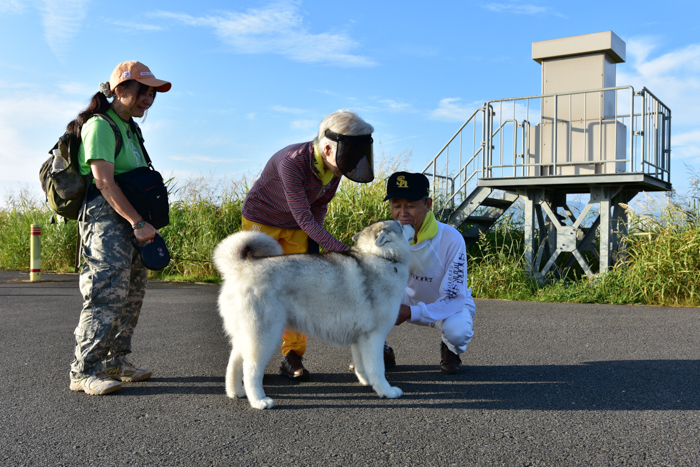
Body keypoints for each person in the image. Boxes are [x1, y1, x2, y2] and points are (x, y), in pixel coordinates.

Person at [241, 109, 375, 379]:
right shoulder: (292, 162)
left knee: (298, 290)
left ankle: (292, 356)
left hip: (295, 227)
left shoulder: (335, 168)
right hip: (261, 220)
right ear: (327, 148)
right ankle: (248, 359)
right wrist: (345, 253)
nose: (353, 162)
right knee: (256, 290)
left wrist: (317, 239)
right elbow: (304, 216)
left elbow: (319, 206)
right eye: (350, 155)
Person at [69, 61, 171, 395]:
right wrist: (137, 222)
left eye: (152, 94)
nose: (149, 99)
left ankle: (116, 361)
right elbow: (103, 182)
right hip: (108, 221)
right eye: (143, 91)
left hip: (132, 222)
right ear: (120, 89)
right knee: (105, 293)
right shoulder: (100, 125)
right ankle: (84, 371)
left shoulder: (130, 128)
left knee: (131, 293)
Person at [386, 172, 475, 373]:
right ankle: (378, 351)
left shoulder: (451, 238)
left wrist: (411, 312)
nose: (402, 212)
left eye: (410, 205)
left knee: (458, 332)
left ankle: (450, 349)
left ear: (428, 205)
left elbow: (454, 297)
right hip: (405, 301)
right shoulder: (386, 236)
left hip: (447, 304)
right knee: (361, 303)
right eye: (396, 205)